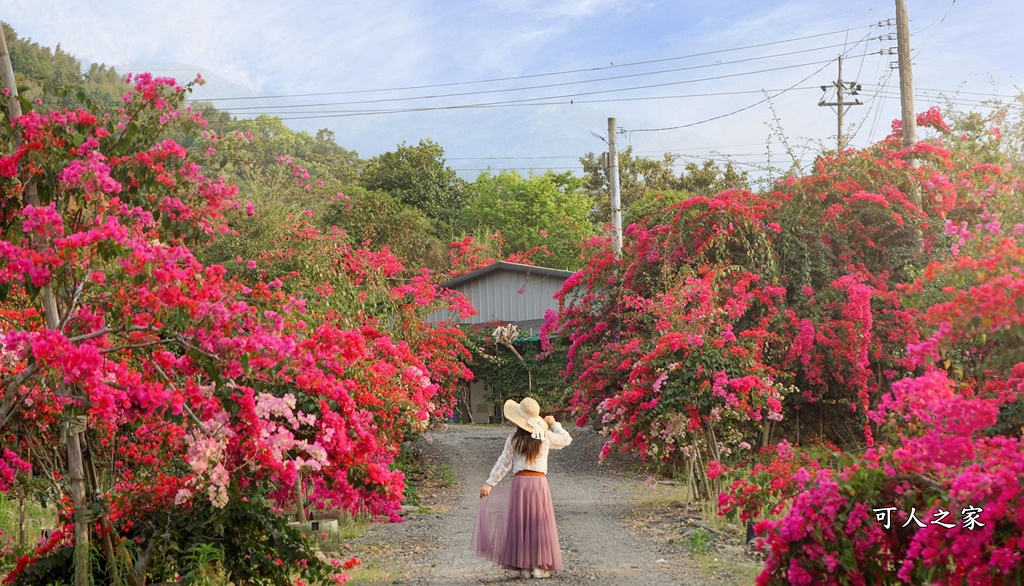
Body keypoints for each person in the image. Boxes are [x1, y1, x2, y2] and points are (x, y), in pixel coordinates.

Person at [474, 397, 572, 579]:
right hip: (539, 484)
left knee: (521, 524)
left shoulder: (514, 439)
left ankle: (524, 568)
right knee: (538, 524)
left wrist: (490, 483)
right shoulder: (545, 437)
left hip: (520, 484)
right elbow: (566, 439)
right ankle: (539, 568)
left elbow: (503, 463)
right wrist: (554, 424)